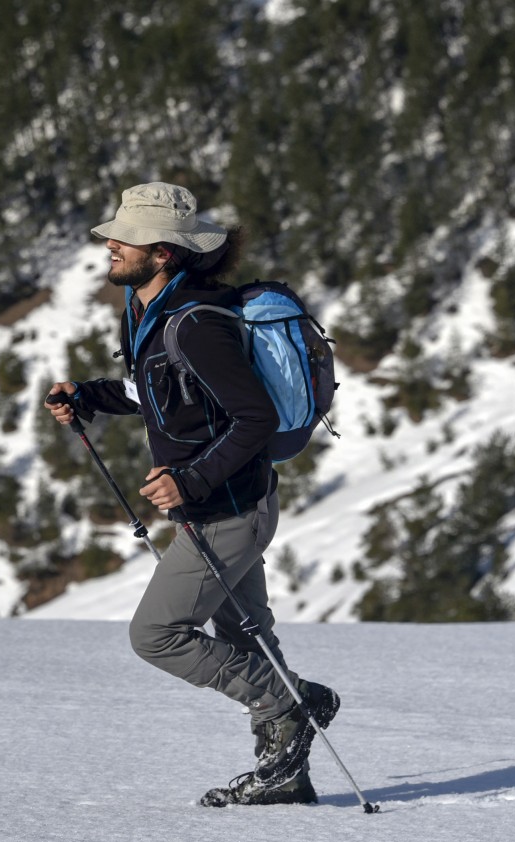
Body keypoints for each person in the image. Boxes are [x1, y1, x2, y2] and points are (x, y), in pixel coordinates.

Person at [44, 182, 338, 806]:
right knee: (242, 633)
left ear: (165, 253)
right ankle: (286, 773)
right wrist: (91, 396)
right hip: (228, 505)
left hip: (226, 511)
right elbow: (162, 391)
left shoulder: (195, 323)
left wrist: (190, 479)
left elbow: (253, 419)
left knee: (156, 634)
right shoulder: (156, 311)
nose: (111, 244)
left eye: (127, 238)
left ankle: (291, 703)